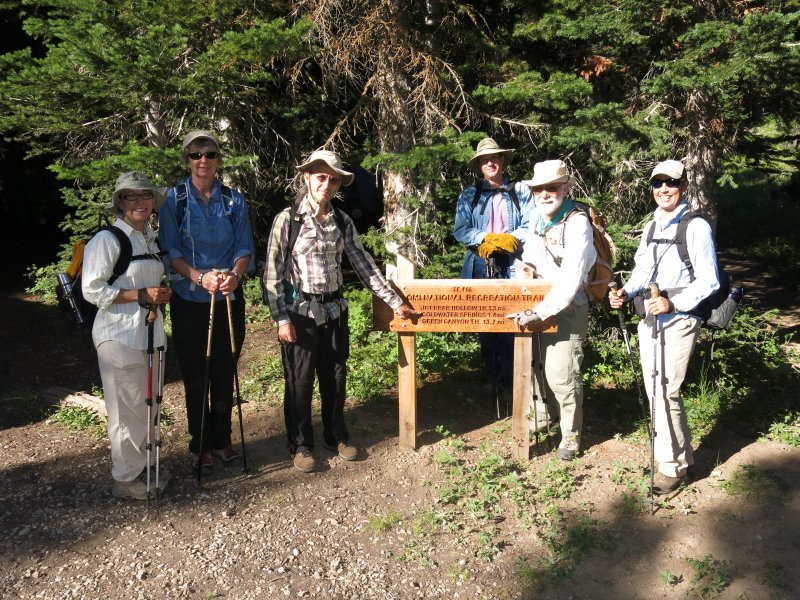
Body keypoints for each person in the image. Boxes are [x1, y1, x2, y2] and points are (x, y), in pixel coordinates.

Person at [263, 150, 420, 473]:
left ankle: (336, 436)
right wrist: (281, 318)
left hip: (335, 310)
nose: (327, 184)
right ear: (307, 177)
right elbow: (272, 274)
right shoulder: (287, 219)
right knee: (300, 381)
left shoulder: (341, 220)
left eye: (333, 179)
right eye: (321, 177)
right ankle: (301, 444)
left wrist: (394, 301)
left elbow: (364, 266)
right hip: (299, 312)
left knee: (335, 378)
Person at [609, 160, 720, 494]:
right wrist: (625, 292)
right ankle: (680, 457)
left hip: (680, 317)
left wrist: (674, 304)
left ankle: (671, 469)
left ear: (682, 186)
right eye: (657, 184)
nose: (663, 190)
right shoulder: (653, 224)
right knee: (655, 388)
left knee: (665, 389)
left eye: (670, 183)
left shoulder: (696, 226)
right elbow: (643, 269)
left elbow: (710, 281)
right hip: (650, 315)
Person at [159, 130, 256, 470]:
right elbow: (169, 251)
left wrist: (234, 275)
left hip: (229, 296)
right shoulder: (175, 199)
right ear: (186, 160)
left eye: (210, 154)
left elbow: (245, 248)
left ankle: (223, 440)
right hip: (189, 297)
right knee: (196, 373)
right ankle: (199, 442)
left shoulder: (233, 200)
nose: (203, 161)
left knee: (224, 369)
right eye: (196, 155)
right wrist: (199, 277)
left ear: (218, 159)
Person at [82, 171, 173, 499]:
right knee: (125, 409)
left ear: (152, 202)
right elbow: (91, 289)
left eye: (145, 195)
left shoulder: (148, 238)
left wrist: (160, 294)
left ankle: (143, 466)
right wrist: (140, 295)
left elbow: (148, 283)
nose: (139, 202)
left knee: (146, 404)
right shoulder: (107, 240)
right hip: (118, 337)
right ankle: (126, 478)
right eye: (131, 196)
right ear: (120, 202)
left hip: (149, 336)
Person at [514, 160, 597, 461]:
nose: (545, 194)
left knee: (562, 373)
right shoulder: (538, 217)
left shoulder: (578, 223)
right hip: (538, 303)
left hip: (568, 307)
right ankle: (542, 416)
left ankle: (570, 434)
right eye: (539, 189)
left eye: (551, 187)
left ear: (566, 188)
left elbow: (573, 279)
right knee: (535, 365)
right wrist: (523, 276)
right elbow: (531, 257)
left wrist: (542, 311)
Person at [453, 137, 533, 397]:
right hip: (480, 262)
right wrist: (485, 239)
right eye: (485, 160)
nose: (490, 163)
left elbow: (532, 224)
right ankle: (494, 377)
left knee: (512, 321)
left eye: (494, 158)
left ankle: (513, 382)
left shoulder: (521, 191)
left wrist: (510, 239)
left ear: (502, 161)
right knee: (484, 320)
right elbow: (461, 230)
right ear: (479, 165)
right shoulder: (470, 194)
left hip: (513, 264)